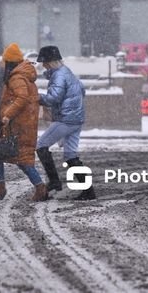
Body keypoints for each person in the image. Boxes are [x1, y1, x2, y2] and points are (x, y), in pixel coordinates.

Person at [0, 43, 47, 202]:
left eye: (5, 62)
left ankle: (40, 188)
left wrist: (8, 114)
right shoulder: (21, 74)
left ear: (10, 62)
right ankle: (1, 186)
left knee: (20, 159)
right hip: (19, 124)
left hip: (19, 125)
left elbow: (22, 98)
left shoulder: (17, 77)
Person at [35, 45, 96, 200]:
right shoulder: (67, 72)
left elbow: (53, 98)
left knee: (41, 146)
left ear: (50, 62)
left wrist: (35, 97)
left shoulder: (59, 76)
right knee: (70, 155)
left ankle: (54, 181)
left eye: (44, 62)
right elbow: (82, 90)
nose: (43, 65)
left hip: (66, 120)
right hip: (76, 119)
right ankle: (88, 191)